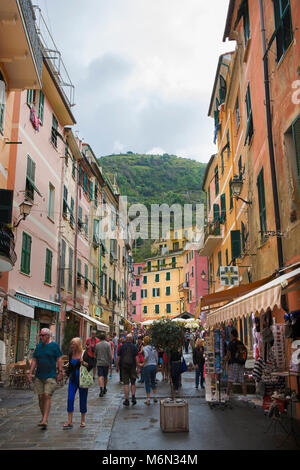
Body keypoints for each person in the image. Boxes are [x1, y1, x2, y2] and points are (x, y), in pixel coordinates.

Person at [28, 328, 63, 430]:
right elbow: (34, 360)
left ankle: (44, 419)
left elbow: (59, 359)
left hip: (50, 375)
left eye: (43, 335)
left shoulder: (54, 346)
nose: (41, 337)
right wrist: (30, 373)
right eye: (40, 335)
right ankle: (44, 417)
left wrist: (60, 371)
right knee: (40, 398)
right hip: (39, 376)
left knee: (47, 395)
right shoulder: (38, 347)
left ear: (48, 336)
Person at [63, 337, 94, 429]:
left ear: (78, 345)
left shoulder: (85, 354)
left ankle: (83, 420)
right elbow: (70, 367)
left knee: (83, 399)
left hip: (82, 379)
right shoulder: (71, 354)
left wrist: (83, 362)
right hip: (73, 379)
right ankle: (69, 421)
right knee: (70, 398)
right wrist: (65, 374)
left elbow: (91, 365)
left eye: (74, 344)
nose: (72, 346)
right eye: (71, 344)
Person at [224, 328, 248, 401]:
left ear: (231, 335)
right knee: (242, 380)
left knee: (230, 380)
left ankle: (227, 395)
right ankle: (245, 397)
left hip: (233, 363)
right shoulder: (240, 343)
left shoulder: (231, 344)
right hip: (241, 363)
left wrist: (225, 360)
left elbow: (228, 354)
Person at [117, 334, 139, 407]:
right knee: (133, 383)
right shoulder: (134, 347)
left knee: (126, 384)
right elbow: (136, 358)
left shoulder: (122, 347)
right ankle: (133, 397)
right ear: (132, 339)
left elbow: (118, 357)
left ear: (126, 339)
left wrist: (117, 366)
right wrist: (138, 367)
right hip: (132, 367)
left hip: (124, 367)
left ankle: (127, 400)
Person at [95, 332, 112, 397]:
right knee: (105, 376)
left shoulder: (97, 345)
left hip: (99, 362)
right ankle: (104, 388)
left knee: (100, 376)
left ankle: (101, 389)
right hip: (106, 363)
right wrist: (110, 362)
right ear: (105, 337)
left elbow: (95, 354)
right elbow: (110, 354)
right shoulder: (108, 344)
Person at [143, 336, 158, 405]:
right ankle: (155, 397)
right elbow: (156, 357)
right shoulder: (153, 348)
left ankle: (148, 399)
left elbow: (145, 356)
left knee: (147, 382)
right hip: (154, 365)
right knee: (153, 381)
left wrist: (143, 362)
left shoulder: (145, 348)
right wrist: (156, 364)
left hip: (147, 366)